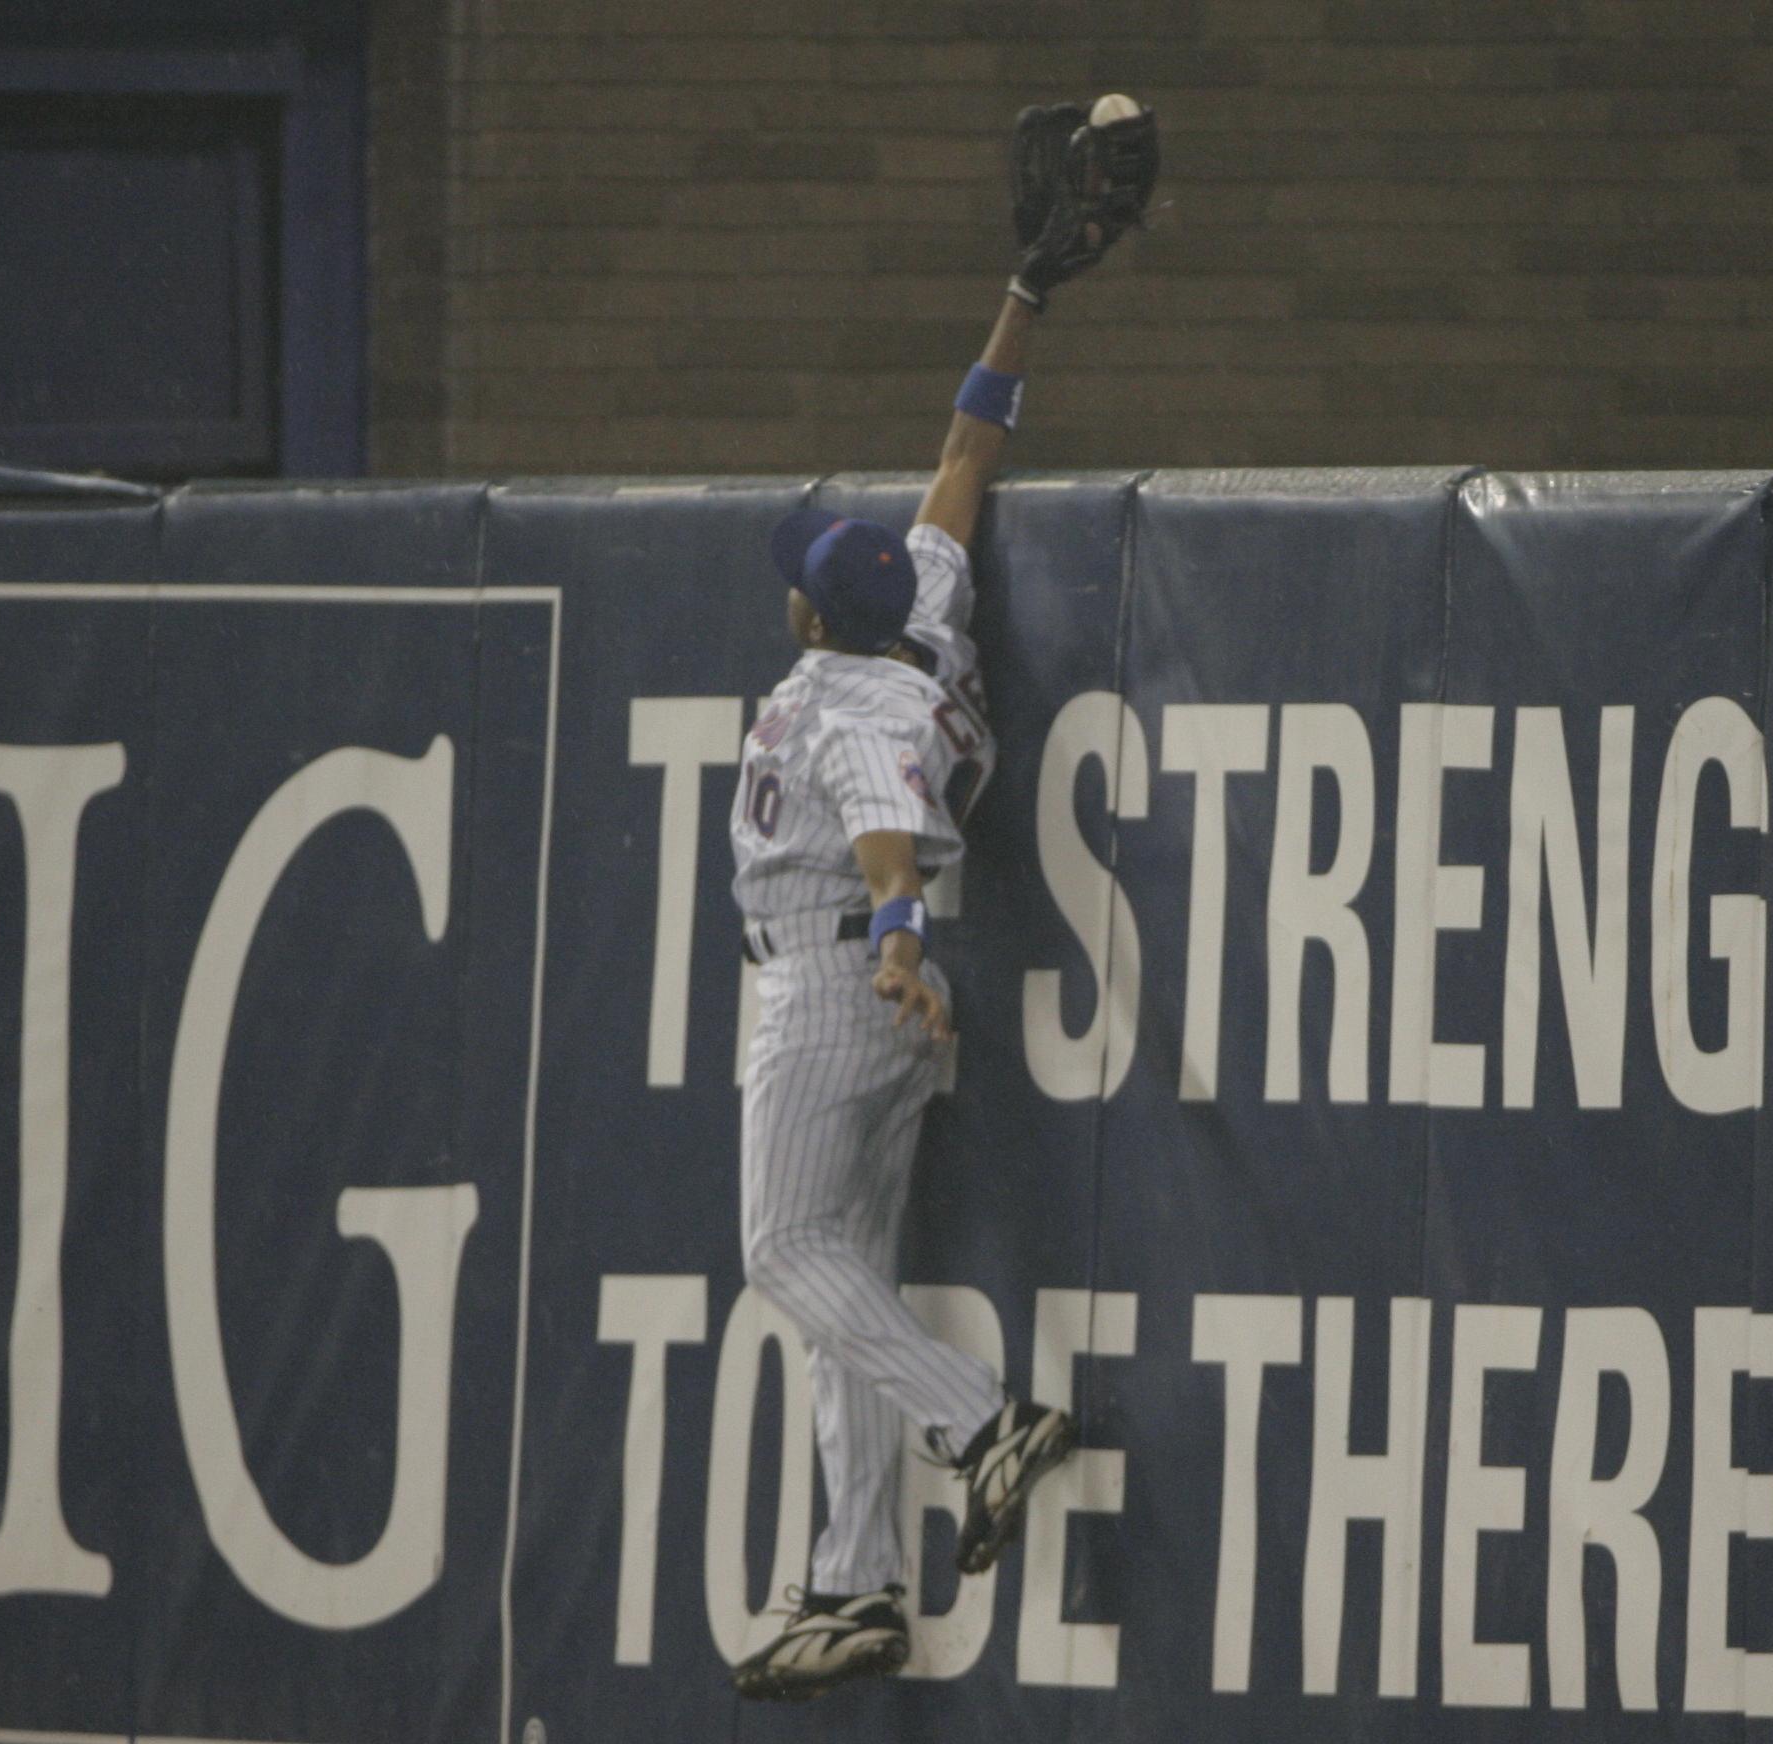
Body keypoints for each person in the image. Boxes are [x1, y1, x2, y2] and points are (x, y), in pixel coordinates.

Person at [722, 100, 1154, 1703]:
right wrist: (1025, 295)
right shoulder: (928, 615)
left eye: (801, 574)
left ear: (811, 614)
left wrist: (900, 934)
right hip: (876, 1000)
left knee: (785, 1251)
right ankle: (853, 1583)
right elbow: (970, 453)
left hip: (839, 983)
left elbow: (887, 826)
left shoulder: (847, 702)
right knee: (846, 1275)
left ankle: (983, 1422)